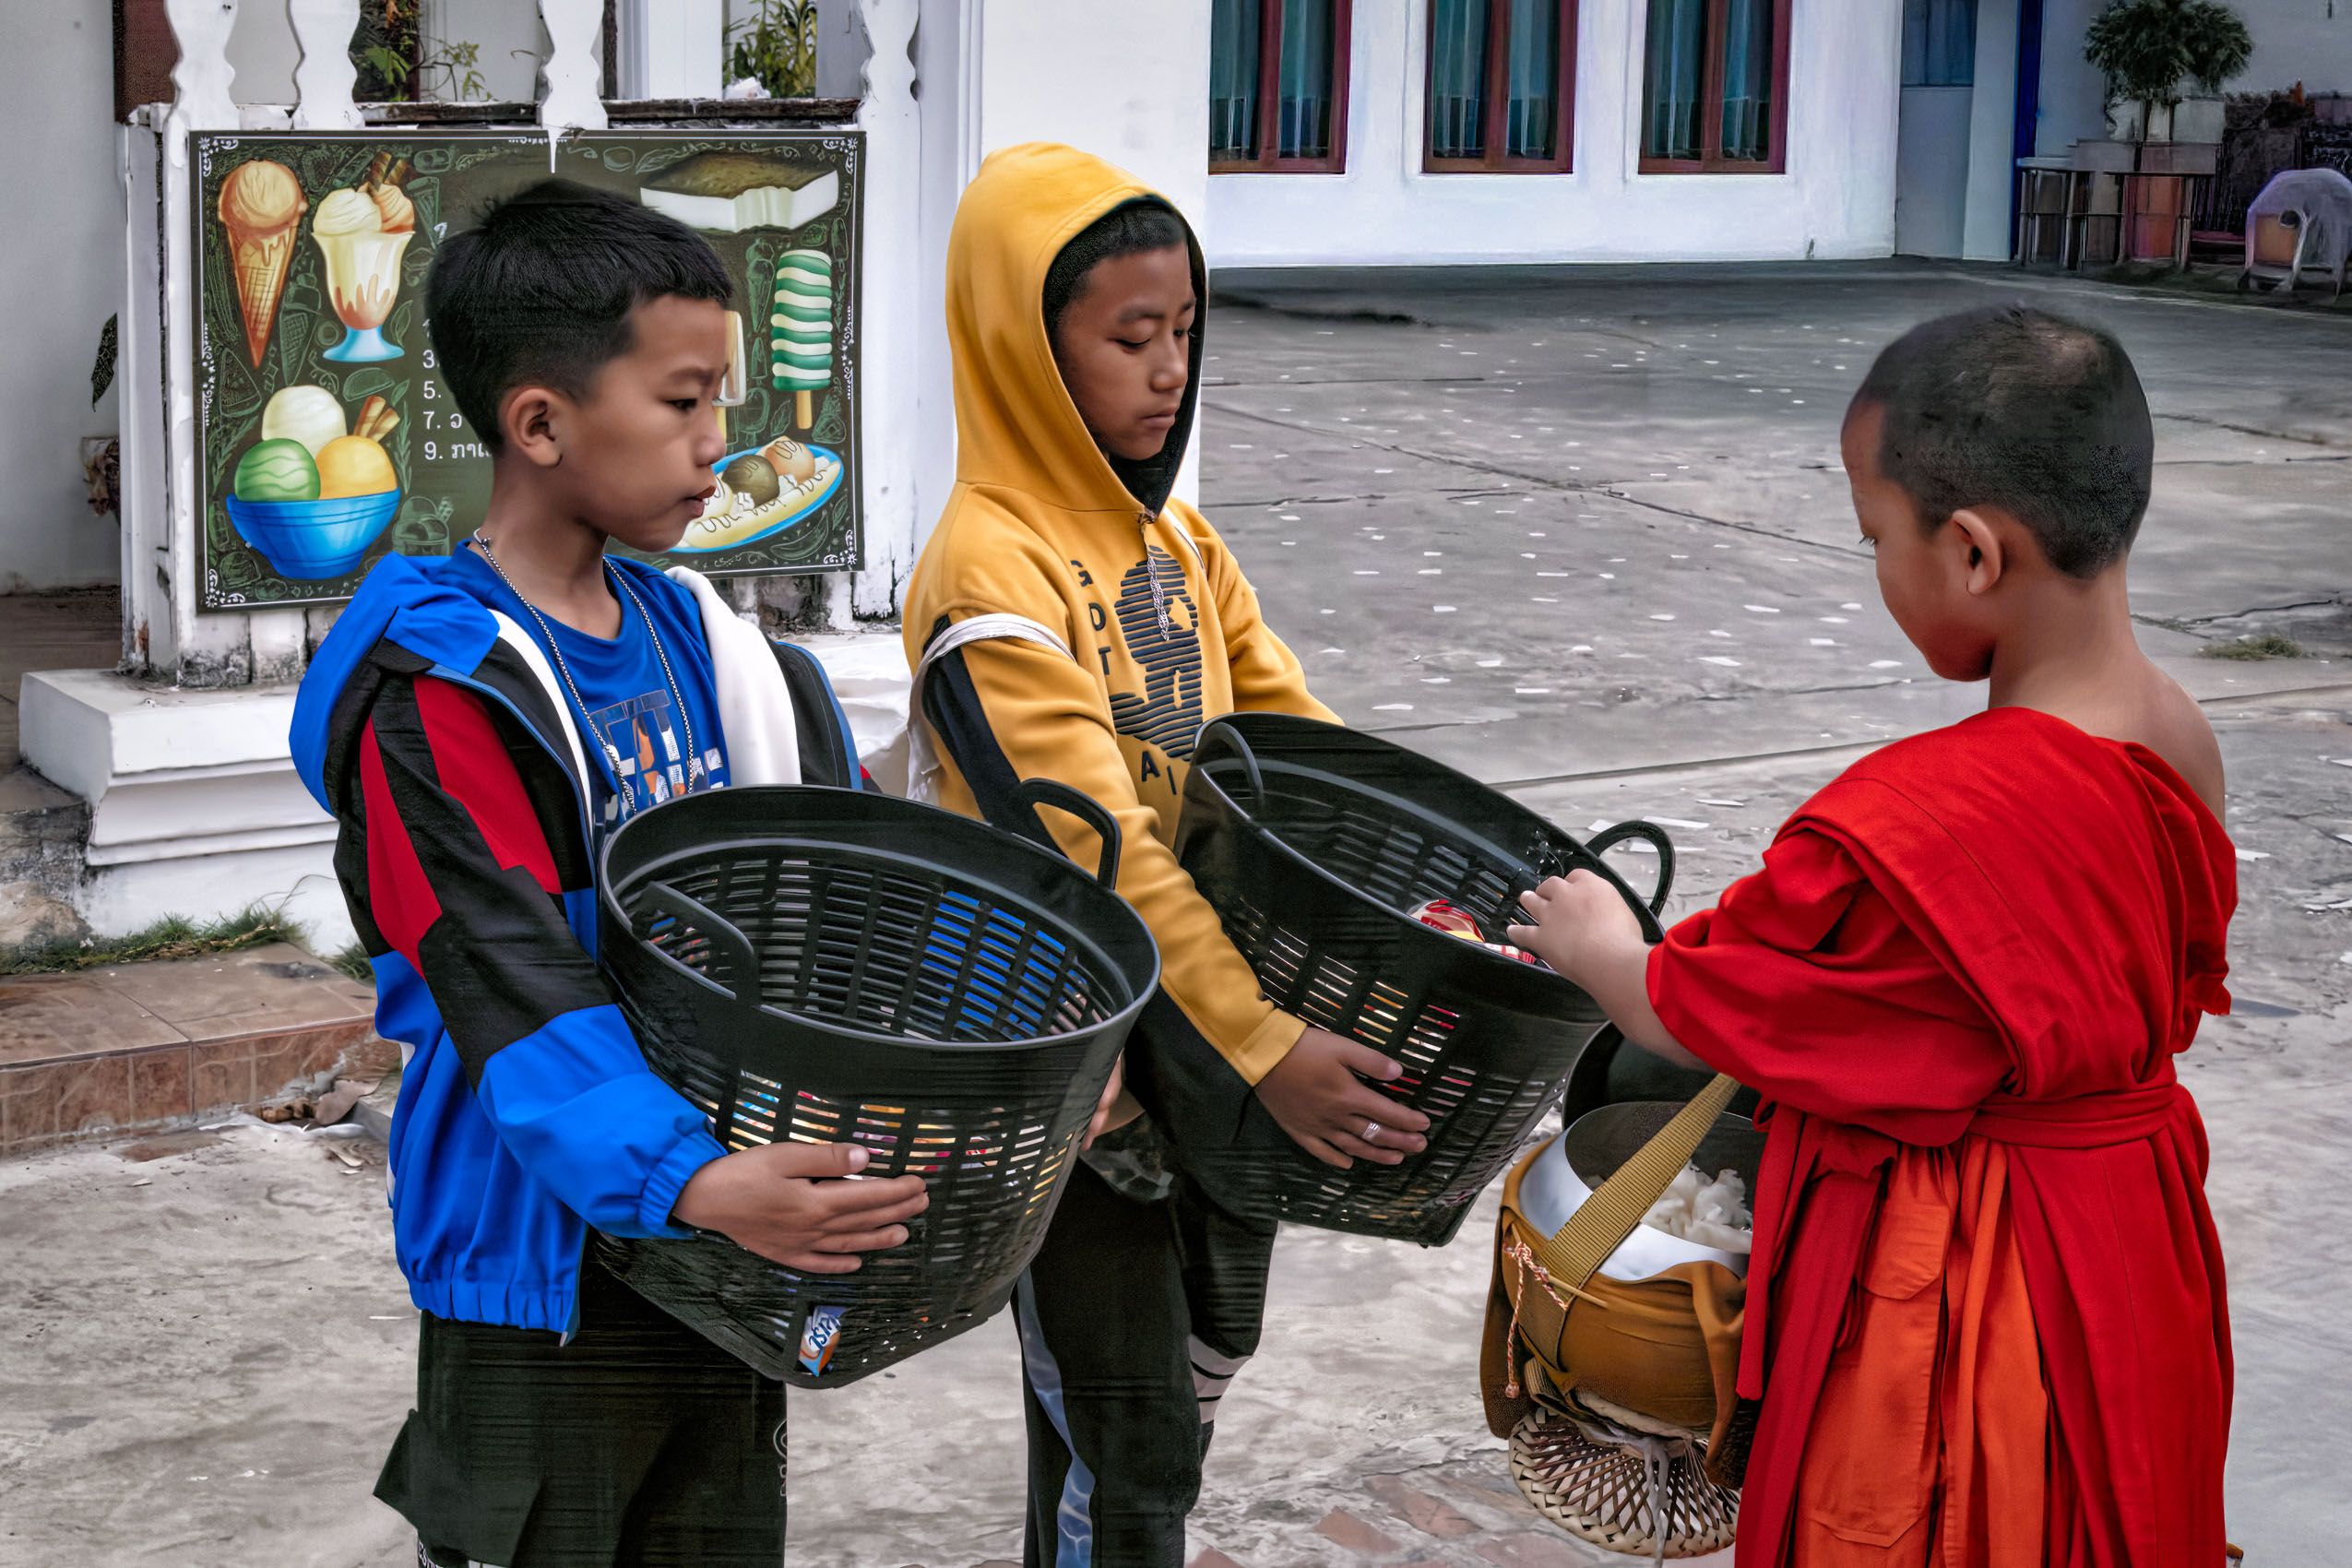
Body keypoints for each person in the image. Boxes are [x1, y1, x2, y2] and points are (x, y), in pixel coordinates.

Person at [1510, 305, 2235, 1568]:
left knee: (1948, 1520)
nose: (1876, 567)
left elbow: (1707, 1004)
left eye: (1874, 538)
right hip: (2133, 1243)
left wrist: (1599, 947)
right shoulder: (2178, 736)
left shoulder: (1922, 818)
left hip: (1968, 1274)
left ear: (1971, 553)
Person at [288, 179, 928, 1568]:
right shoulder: (442, 693)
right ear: (540, 424)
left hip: (723, 1244)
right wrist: (684, 1175)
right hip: (544, 1273)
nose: (718, 443)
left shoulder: (716, 648)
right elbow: (505, 977)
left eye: (720, 402)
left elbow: (854, 876)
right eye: (684, 402)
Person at [900, 142, 1432, 1565]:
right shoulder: (986, 569)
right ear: (1023, 350)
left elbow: (1307, 759)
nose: (1167, 370)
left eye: (1184, 330)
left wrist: (1427, 901)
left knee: (1165, 1399)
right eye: (1128, 337)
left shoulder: (1179, 547)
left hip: (1203, 1047)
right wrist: (1267, 1046)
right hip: (1076, 1081)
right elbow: (1104, 855)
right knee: (1130, 1449)